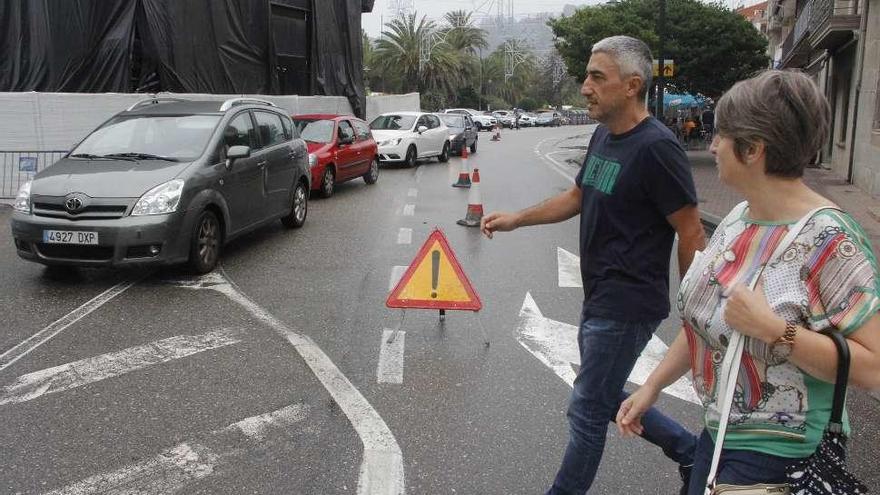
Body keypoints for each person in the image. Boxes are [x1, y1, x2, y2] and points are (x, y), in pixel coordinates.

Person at [616, 70, 880, 494]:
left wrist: (775, 330)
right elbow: (706, 322)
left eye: (722, 134)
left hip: (781, 460)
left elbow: (874, 369)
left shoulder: (830, 240)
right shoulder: (738, 219)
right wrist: (652, 386)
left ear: (753, 149)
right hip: (718, 435)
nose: (713, 144)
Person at [480, 35, 706, 494]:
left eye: (597, 77)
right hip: (599, 293)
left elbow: (691, 230)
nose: (585, 86)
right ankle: (690, 451)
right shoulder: (604, 134)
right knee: (599, 393)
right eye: (586, 75)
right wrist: (517, 220)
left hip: (628, 302)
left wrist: (693, 309)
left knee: (585, 409)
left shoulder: (658, 149)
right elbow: (578, 196)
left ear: (631, 86)